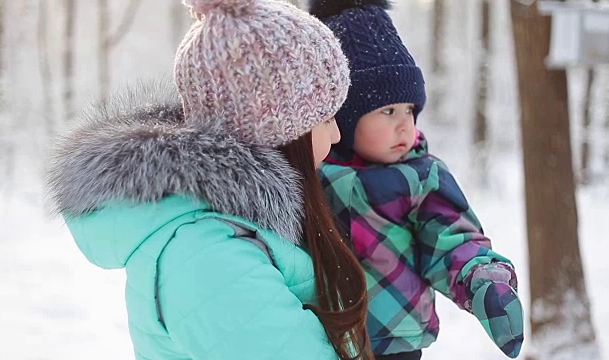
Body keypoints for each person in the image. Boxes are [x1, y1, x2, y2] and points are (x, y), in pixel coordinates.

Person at [45, 0, 375, 358]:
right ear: (280, 128)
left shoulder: (237, 229)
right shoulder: (210, 255)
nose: (338, 134)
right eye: (325, 118)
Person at [308, 0, 525, 359]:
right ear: (342, 118)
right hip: (322, 335)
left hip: (395, 339)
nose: (404, 124)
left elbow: (452, 238)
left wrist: (483, 280)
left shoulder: (421, 177)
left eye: (410, 110)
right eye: (388, 111)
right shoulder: (313, 174)